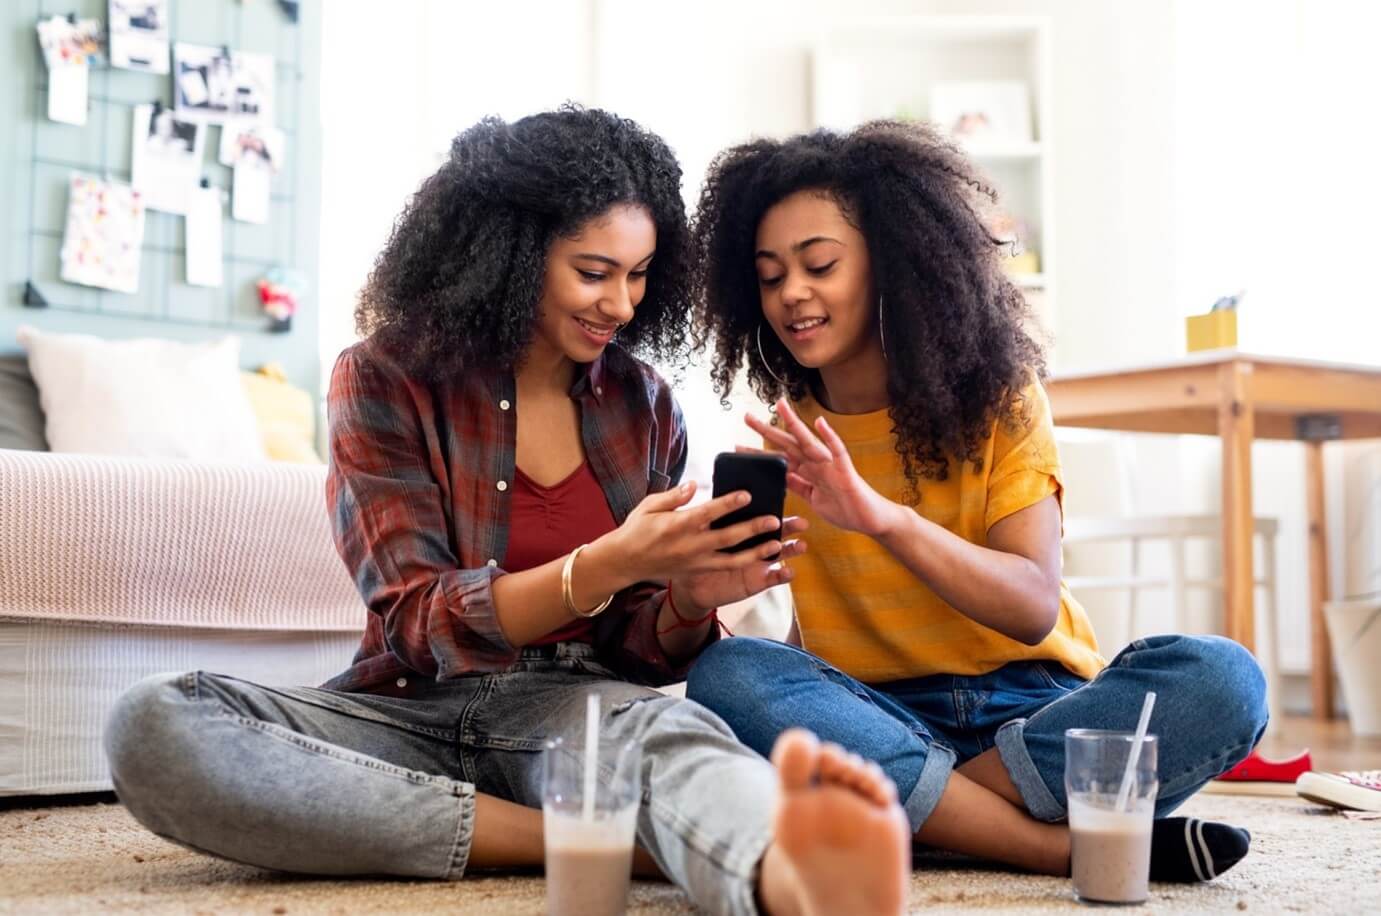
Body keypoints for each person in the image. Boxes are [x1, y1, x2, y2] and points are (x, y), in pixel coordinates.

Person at [103, 107, 910, 916]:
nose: (623, 304)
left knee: (672, 738)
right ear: (513, 258)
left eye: (638, 275)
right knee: (158, 722)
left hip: (576, 705)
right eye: (594, 273)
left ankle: (791, 873)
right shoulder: (385, 375)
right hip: (405, 710)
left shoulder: (643, 402)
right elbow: (417, 621)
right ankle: (592, 838)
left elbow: (636, 649)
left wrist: (691, 598)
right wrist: (605, 563)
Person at [686, 120, 1269, 883]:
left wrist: (882, 519)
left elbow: (1030, 605)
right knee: (728, 674)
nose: (792, 293)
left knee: (1223, 679)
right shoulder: (785, 440)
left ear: (893, 263)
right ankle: (1047, 844)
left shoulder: (998, 402)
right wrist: (703, 599)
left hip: (1035, 711)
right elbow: (813, 646)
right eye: (768, 276)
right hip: (881, 718)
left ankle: (924, 819)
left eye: (819, 264)